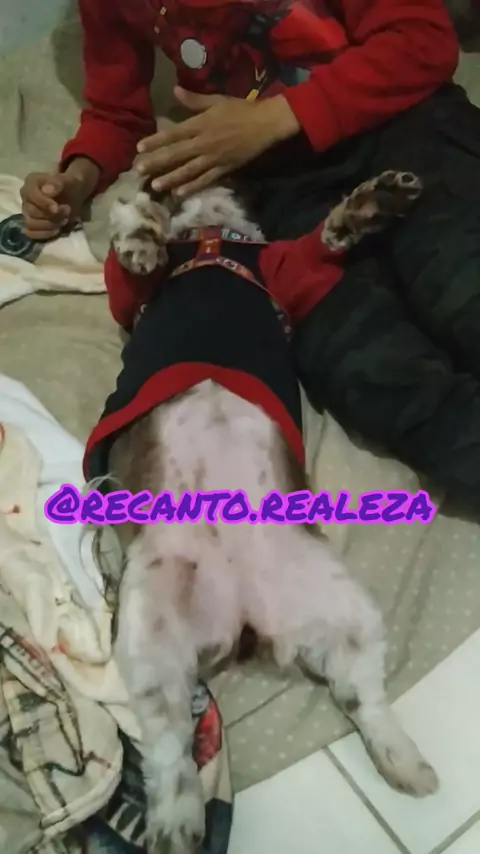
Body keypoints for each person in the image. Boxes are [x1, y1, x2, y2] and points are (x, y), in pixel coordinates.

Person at [20, 0, 480, 509]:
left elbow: (424, 39)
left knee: (463, 291)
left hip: (407, 124)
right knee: (375, 374)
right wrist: (75, 179)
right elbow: (115, 114)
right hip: (284, 187)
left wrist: (275, 118)